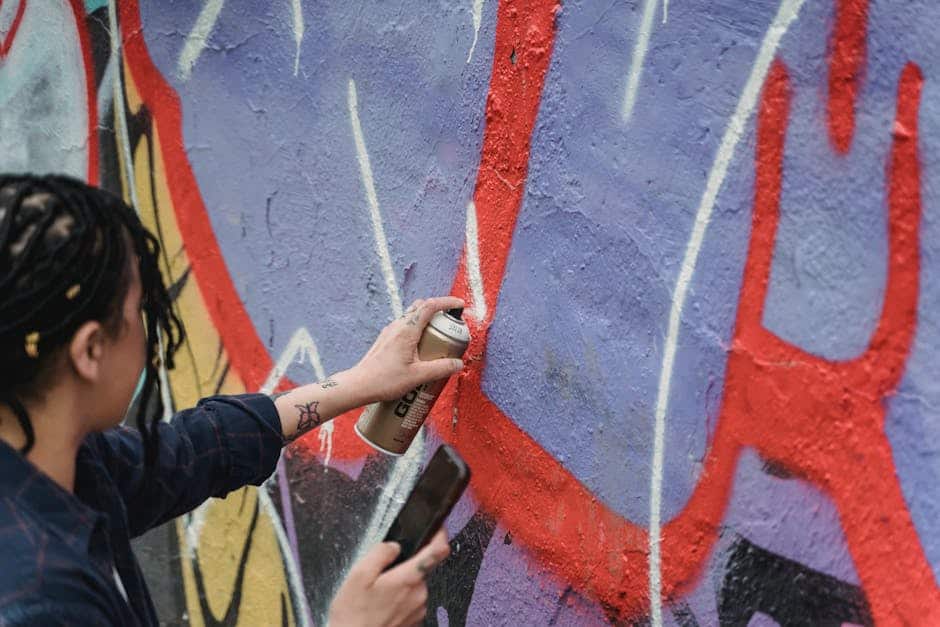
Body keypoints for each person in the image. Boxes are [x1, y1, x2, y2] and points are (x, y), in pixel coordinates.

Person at [0, 174, 465, 625]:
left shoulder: (58, 459)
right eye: (140, 309)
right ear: (91, 351)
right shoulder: (39, 600)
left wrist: (357, 383)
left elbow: (193, 450)